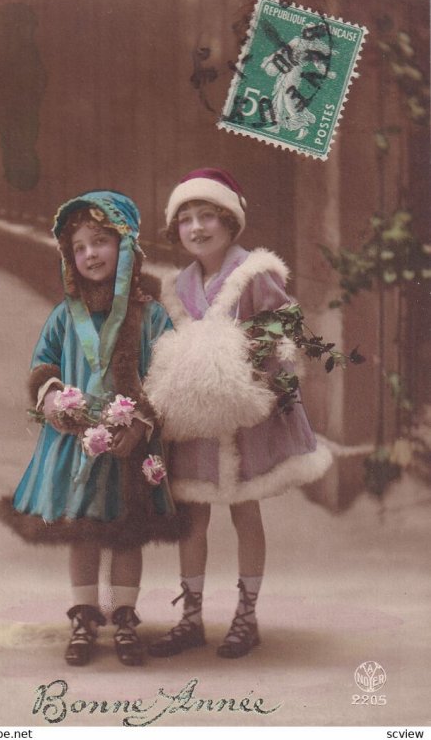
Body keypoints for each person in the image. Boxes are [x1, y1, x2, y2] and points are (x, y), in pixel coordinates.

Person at [145, 168, 333, 659]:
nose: (196, 227)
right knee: (192, 516)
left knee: (244, 509)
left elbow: (284, 331)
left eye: (208, 215)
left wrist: (258, 371)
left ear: (230, 220)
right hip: (197, 418)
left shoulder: (254, 274)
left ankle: (246, 615)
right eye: (185, 219)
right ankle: (191, 616)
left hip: (244, 411)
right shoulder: (178, 285)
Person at [0, 190, 184, 667]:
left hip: (130, 443)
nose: (90, 255)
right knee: (82, 530)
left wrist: (141, 422)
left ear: (125, 248)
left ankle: (124, 615)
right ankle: (84, 616)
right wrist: (54, 395)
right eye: (78, 248)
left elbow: (167, 374)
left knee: (126, 531)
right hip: (76, 444)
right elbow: (43, 364)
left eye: (100, 242)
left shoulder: (151, 315)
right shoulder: (64, 315)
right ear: (68, 258)